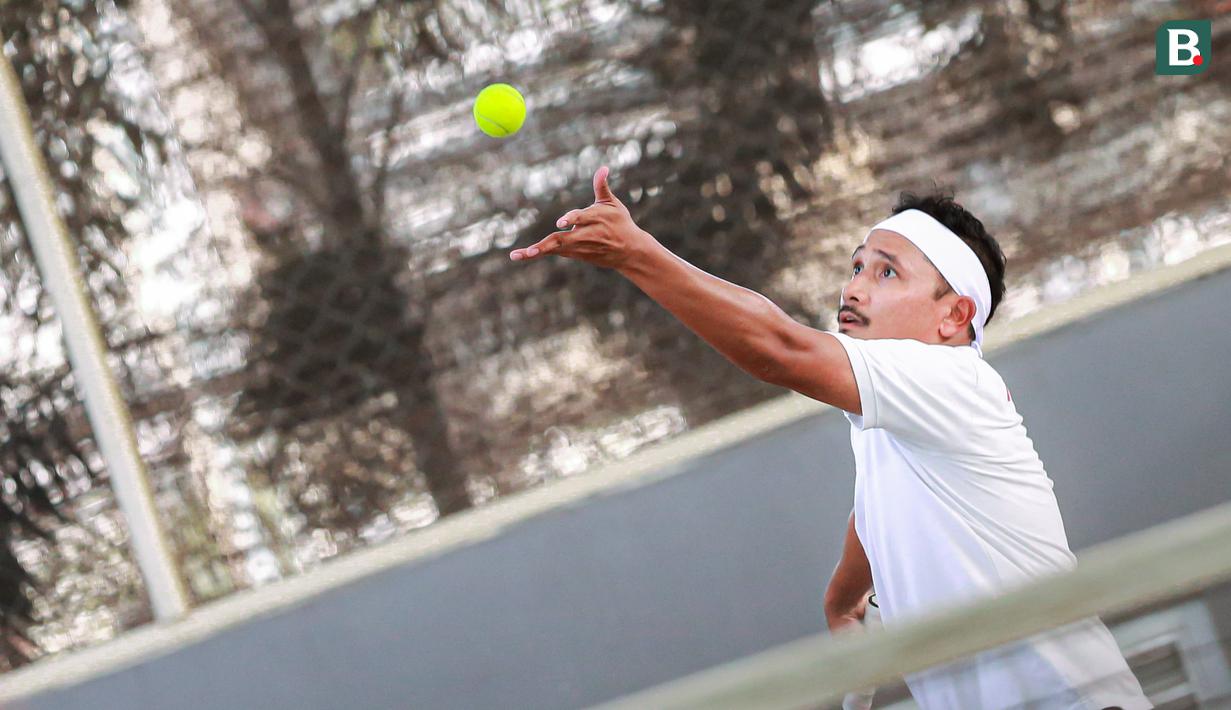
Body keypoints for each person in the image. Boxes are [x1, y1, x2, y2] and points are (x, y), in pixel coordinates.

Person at [510, 166, 1150, 709]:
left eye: (887, 274)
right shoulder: (898, 422)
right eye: (857, 267)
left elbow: (778, 349)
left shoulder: (952, 380)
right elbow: (879, 508)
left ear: (954, 317)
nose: (854, 287)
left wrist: (635, 252)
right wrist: (844, 601)